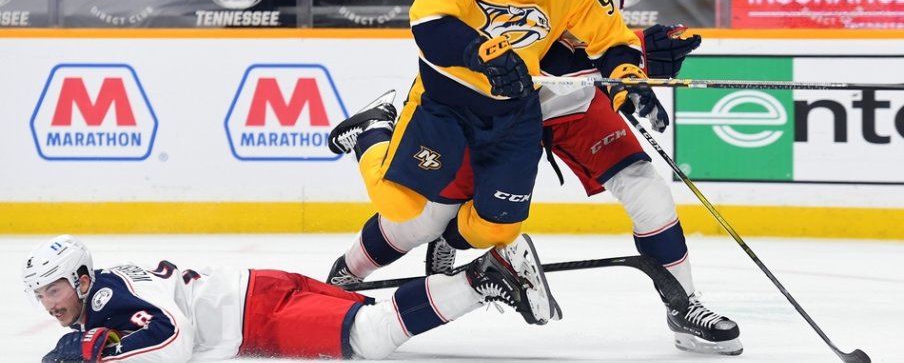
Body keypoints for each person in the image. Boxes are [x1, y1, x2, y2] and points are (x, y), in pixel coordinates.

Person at [325, 0, 668, 326]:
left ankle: (450, 240)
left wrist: (628, 77)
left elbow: (611, 40)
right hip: (447, 101)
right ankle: (372, 130)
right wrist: (481, 53)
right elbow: (429, 21)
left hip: (513, 112)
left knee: (499, 225)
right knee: (402, 207)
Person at [424, 0, 741, 356]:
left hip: (571, 106)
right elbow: (544, 59)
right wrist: (639, 59)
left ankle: (684, 306)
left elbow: (597, 49)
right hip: (505, 103)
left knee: (644, 185)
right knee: (449, 208)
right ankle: (439, 222)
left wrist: (636, 66)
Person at [25, 233, 553, 362]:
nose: (50, 303)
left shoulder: (105, 297)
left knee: (369, 339)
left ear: (80, 278)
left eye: (54, 288)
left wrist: (103, 352)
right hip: (258, 288)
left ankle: (487, 277)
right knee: (369, 319)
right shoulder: (106, 292)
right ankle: (483, 279)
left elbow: (172, 340)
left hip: (256, 311)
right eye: (41, 295)